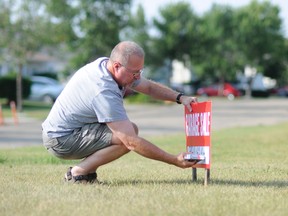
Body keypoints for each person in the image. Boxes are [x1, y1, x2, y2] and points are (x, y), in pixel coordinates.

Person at [42, 41, 198, 183]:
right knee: (127, 138)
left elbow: (149, 87)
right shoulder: (103, 90)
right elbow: (131, 142)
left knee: (130, 130)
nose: (137, 77)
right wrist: (174, 160)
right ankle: (78, 174)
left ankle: (87, 173)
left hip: (69, 130)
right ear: (117, 66)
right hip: (60, 139)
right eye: (134, 73)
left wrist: (180, 97)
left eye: (140, 72)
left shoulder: (108, 66)